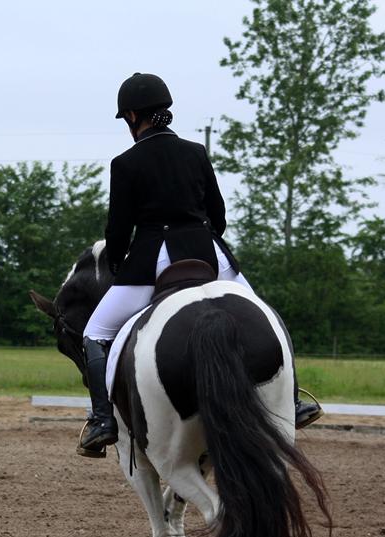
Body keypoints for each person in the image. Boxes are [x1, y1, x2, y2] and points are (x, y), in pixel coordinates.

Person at [77, 73, 322, 458]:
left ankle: (103, 420)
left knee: (95, 333)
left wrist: (120, 261)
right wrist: (202, 236)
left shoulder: (124, 163)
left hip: (151, 256)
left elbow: (119, 229)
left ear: (132, 115)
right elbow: (218, 215)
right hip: (206, 251)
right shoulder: (195, 152)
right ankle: (292, 402)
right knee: (264, 314)